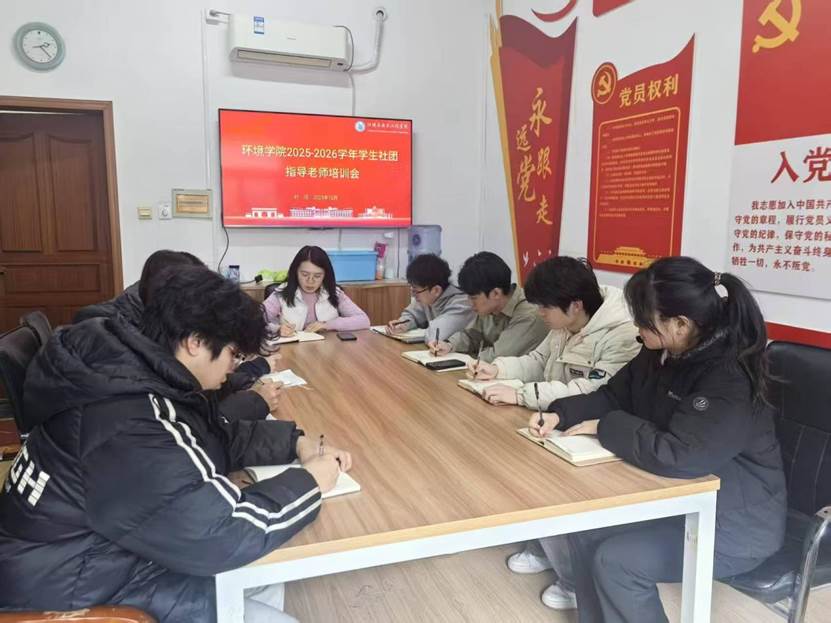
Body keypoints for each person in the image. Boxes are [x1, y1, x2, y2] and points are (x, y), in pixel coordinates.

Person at [0, 265, 353, 623]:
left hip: (98, 557)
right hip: (73, 595)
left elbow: (207, 439)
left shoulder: (133, 374)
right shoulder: (127, 420)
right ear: (194, 342)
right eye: (233, 353)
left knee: (262, 576)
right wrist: (310, 481)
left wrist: (295, 442)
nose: (235, 366)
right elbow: (222, 533)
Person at [527, 257, 787, 622]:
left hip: (736, 522)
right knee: (583, 529)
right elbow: (615, 395)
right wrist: (560, 413)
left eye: (643, 320)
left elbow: (680, 455)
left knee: (617, 563)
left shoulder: (728, 376)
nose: (636, 328)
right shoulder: (659, 350)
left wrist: (606, 426)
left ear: (680, 324)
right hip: (677, 499)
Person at [72, 250, 281, 422]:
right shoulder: (112, 341)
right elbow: (174, 423)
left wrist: (249, 372)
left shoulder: (147, 325)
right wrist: (252, 403)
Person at [468, 257, 640, 409]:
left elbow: (591, 391)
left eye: (545, 307)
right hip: (554, 414)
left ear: (576, 306)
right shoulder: (565, 322)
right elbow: (539, 361)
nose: (540, 312)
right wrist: (498, 369)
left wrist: (521, 395)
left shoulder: (622, 335)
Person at [430, 251, 547, 363]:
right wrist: (449, 345)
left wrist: (467, 359)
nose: (470, 303)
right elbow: (471, 336)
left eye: (473, 298)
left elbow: (499, 356)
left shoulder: (529, 313)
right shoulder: (490, 306)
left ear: (496, 293)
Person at [263, 246, 370, 336]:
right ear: (295, 272)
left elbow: (363, 320)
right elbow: (255, 321)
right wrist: (277, 329)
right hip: (292, 351)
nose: (310, 281)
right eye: (305, 274)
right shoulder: (281, 293)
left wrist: (327, 325)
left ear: (325, 275)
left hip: (328, 349)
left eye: (317, 276)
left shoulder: (334, 293)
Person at [385, 253, 475, 343]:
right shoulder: (428, 297)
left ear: (436, 290)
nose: (413, 295)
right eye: (412, 289)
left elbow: (435, 335)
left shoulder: (461, 304)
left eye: (416, 291)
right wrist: (402, 324)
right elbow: (412, 314)